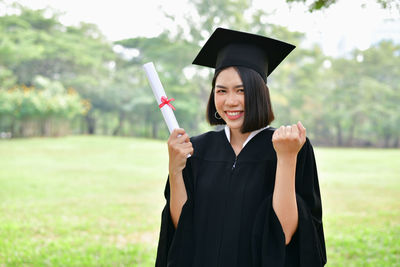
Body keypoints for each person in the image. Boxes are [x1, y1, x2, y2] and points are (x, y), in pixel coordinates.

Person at [155, 27, 326, 267]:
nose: (230, 101)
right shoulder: (196, 149)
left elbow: (285, 235)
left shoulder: (290, 146)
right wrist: (175, 169)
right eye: (221, 91)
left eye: (241, 90)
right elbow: (181, 229)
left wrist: (286, 159)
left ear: (260, 94)